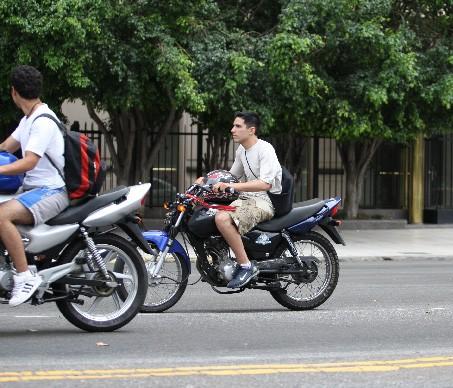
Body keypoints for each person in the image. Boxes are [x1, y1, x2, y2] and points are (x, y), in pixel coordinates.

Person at [0, 65, 69, 306]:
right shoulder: (28, 120)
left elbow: (29, 161)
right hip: (34, 190)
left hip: (52, 191)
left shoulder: (42, 121)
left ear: (14, 92)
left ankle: (24, 276)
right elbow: (6, 147)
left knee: (0, 216)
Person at [202, 111, 282, 288]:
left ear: (251, 130)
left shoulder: (265, 149)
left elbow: (265, 184)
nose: (233, 130)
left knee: (222, 218)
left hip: (264, 201)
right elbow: (232, 177)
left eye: (238, 126)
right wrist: (205, 180)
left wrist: (233, 187)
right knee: (210, 212)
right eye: (233, 126)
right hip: (247, 198)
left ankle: (246, 266)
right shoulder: (242, 151)